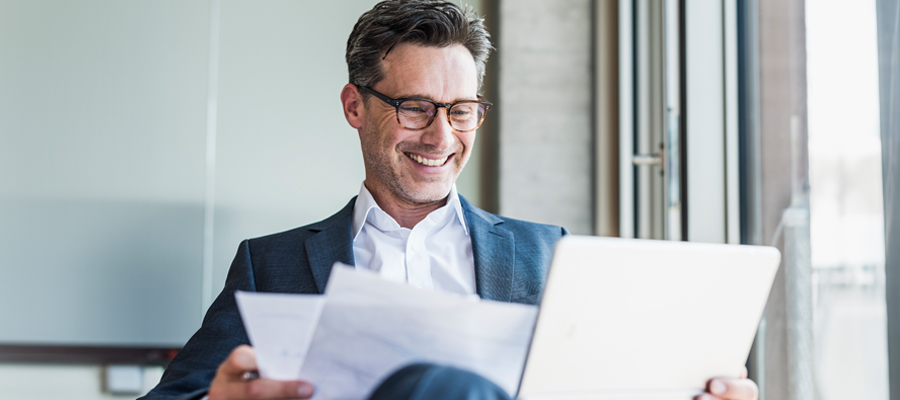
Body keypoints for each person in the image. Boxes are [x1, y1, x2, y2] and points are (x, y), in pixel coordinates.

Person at [139, 1, 760, 400]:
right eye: (415, 108)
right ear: (356, 107)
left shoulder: (548, 253)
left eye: (460, 111)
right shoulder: (268, 264)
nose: (441, 137)